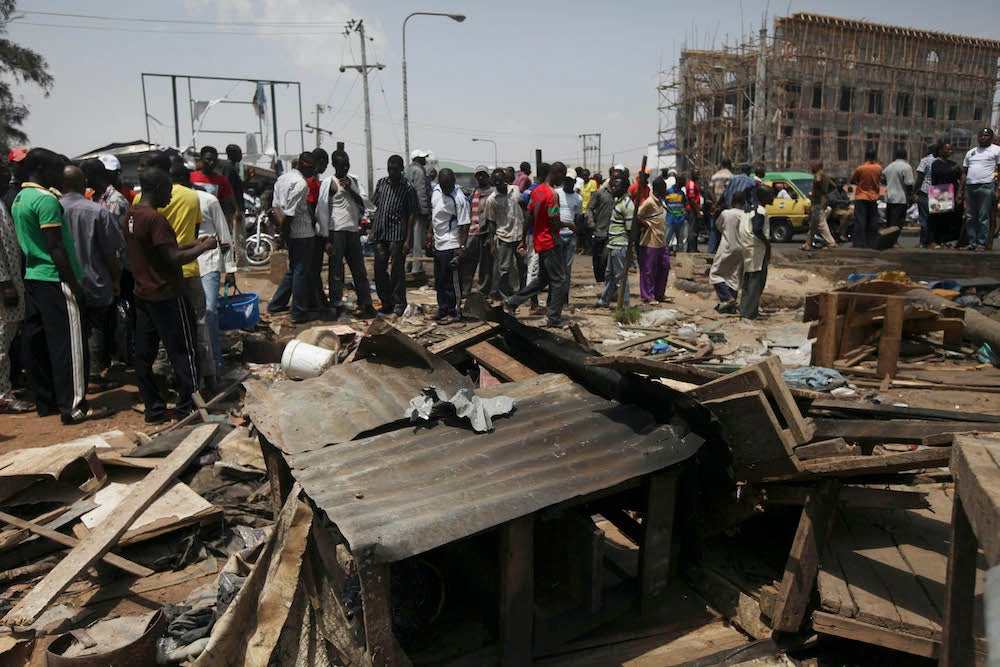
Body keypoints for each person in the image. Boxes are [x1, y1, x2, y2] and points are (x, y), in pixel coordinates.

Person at [11, 148, 109, 424]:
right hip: (56, 278)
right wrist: (74, 284)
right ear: (41, 169)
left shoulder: (20, 198)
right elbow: (56, 247)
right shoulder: (46, 201)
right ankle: (76, 407)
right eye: (56, 171)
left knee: (39, 342)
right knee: (70, 345)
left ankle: (47, 401)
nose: (59, 177)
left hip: (34, 277)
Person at [123, 167, 217, 423]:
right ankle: (190, 406)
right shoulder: (156, 219)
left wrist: (193, 244)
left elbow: (160, 251)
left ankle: (154, 409)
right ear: (157, 189)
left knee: (144, 354)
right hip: (167, 294)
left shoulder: (131, 214)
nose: (170, 197)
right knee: (185, 352)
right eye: (167, 190)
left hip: (143, 294)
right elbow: (173, 258)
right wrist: (205, 247)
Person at [60, 165, 126, 392]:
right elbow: (111, 253)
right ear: (83, 183)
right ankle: (94, 375)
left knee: (72, 330)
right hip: (95, 280)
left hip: (62, 281)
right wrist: (116, 280)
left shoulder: (53, 208)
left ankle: (77, 375)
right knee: (95, 329)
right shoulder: (97, 211)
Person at [504, 162, 569, 327]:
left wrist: (523, 239)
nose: (564, 178)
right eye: (563, 174)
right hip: (551, 242)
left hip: (539, 241)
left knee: (542, 279)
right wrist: (569, 225)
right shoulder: (552, 194)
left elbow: (529, 215)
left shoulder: (537, 191)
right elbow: (554, 222)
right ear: (557, 173)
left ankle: (512, 302)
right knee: (560, 280)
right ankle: (554, 318)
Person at [167, 164, 214, 387]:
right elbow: (194, 236)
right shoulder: (192, 197)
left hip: (162, 273)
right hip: (189, 268)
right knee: (199, 322)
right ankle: (207, 376)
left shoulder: (142, 201)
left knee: (171, 327)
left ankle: (172, 378)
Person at [317, 150, 375, 319]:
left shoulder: (354, 182)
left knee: (359, 270)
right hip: (336, 232)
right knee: (336, 271)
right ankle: (336, 304)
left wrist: (350, 190)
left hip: (352, 231)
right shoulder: (329, 184)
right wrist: (326, 238)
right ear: (334, 166)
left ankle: (366, 302)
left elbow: (365, 203)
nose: (344, 169)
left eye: (347, 165)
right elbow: (322, 211)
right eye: (341, 166)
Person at [192, 175, 235, 383]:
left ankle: (214, 368)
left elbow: (224, 235)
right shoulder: (168, 201)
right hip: (185, 265)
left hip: (208, 262)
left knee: (209, 313)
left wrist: (230, 269)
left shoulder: (208, 201)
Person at [267, 152, 316, 324]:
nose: (314, 174)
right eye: (313, 170)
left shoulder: (282, 179)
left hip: (290, 233)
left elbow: (275, 208)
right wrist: (282, 235)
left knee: (294, 270)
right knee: (301, 272)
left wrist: (282, 233)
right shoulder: (300, 184)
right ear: (304, 166)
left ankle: (276, 305)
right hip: (302, 233)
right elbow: (290, 214)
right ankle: (299, 312)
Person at [369, 154, 416, 317]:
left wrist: (408, 239)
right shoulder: (382, 183)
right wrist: (373, 231)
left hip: (397, 234)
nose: (391, 172)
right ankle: (386, 302)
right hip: (381, 233)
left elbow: (412, 214)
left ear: (401, 169)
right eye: (389, 169)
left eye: (395, 169)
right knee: (379, 269)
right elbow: (376, 206)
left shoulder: (408, 187)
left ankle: (398, 303)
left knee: (397, 270)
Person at [0, 162, 29, 414]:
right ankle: (3, 396)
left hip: (11, 282)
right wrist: (5, 282)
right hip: (3, 288)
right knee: (0, 344)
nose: (7, 177)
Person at [428, 168, 470, 324]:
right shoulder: (437, 191)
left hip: (452, 243)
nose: (447, 189)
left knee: (451, 283)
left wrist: (462, 248)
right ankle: (443, 309)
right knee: (439, 280)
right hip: (438, 244)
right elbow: (434, 214)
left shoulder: (459, 199)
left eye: (449, 186)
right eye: (444, 186)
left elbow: (465, 224)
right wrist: (429, 233)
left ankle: (454, 312)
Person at [595, 175, 634, 308]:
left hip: (620, 245)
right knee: (609, 275)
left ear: (624, 188)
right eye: (612, 185)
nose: (612, 188)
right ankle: (604, 299)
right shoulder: (618, 201)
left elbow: (630, 231)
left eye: (616, 186)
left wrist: (630, 251)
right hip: (613, 243)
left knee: (620, 276)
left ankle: (625, 304)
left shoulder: (627, 205)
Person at [486, 168, 525, 299]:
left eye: (500, 180)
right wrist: (491, 242)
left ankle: (521, 294)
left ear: (505, 180)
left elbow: (522, 207)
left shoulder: (515, 191)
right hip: (504, 237)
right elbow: (491, 222)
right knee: (504, 269)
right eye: (495, 181)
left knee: (522, 266)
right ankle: (504, 296)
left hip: (519, 235)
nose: (498, 183)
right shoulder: (492, 200)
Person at [959, 127, 1000, 252]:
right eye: (981, 135)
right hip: (970, 187)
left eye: (987, 136)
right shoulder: (971, 152)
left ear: (991, 138)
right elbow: (964, 172)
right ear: (978, 137)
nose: (983, 137)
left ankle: (981, 243)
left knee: (983, 217)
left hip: (986, 186)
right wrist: (960, 189)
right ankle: (972, 243)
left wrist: (998, 189)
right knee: (970, 216)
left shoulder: (997, 150)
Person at [738, 186, 774, 320]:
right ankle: (750, 313)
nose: (773, 198)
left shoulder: (748, 209)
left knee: (749, 280)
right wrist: (767, 243)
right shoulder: (760, 210)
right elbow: (757, 229)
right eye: (771, 195)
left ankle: (745, 310)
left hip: (748, 248)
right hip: (757, 249)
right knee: (756, 281)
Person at [462, 166, 496, 299]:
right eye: (478, 175)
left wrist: (491, 236)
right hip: (472, 232)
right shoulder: (474, 192)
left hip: (486, 232)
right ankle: (466, 290)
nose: (480, 178)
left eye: (483, 175)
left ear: (487, 176)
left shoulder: (493, 192)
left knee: (486, 265)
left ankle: (483, 291)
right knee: (468, 263)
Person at [710, 189, 747, 314]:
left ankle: (728, 298)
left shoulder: (726, 213)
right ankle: (730, 305)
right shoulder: (746, 215)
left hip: (727, 247)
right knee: (734, 277)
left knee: (715, 274)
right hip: (741, 249)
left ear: (732, 202)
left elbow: (719, 226)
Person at [304, 148, 331, 309]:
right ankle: (316, 301)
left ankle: (317, 299)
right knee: (314, 269)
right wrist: (316, 225)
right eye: (325, 163)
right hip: (313, 232)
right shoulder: (312, 182)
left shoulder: (313, 180)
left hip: (313, 231)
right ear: (319, 162)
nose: (325, 167)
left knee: (314, 269)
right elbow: (310, 205)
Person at [636, 177, 669, 303]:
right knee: (648, 269)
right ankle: (647, 296)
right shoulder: (649, 202)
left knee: (664, 267)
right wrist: (645, 224)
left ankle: (659, 293)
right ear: (658, 189)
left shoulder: (660, 202)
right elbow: (637, 215)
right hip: (650, 241)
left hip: (661, 240)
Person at [928, 142, 963, 248]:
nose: (950, 152)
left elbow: (960, 175)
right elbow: (940, 174)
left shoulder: (952, 163)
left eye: (951, 150)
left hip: (952, 192)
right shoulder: (936, 163)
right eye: (947, 150)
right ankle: (934, 241)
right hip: (940, 192)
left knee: (950, 218)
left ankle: (946, 240)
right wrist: (952, 170)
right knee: (938, 218)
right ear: (940, 150)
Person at [555, 171, 582, 305]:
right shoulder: (556, 193)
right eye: (566, 180)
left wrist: (577, 231)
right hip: (557, 235)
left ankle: (564, 298)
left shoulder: (578, 198)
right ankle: (555, 298)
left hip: (570, 237)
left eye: (570, 180)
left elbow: (578, 216)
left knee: (567, 269)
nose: (568, 183)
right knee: (556, 268)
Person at [190, 146, 236, 219]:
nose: (211, 162)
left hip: (213, 220)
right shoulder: (190, 177)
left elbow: (226, 201)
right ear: (201, 159)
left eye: (214, 160)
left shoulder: (222, 180)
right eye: (208, 159)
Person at [405, 149, 432, 275]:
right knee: (418, 240)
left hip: (409, 210)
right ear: (416, 159)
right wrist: (425, 211)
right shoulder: (420, 171)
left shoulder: (408, 170)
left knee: (409, 240)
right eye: (422, 158)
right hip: (419, 211)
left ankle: (408, 265)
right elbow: (421, 192)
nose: (425, 160)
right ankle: (417, 267)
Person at [850, 149, 882, 249]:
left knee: (860, 220)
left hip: (861, 196)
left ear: (865, 156)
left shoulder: (861, 168)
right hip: (873, 197)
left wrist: (861, 184)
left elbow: (853, 180)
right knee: (872, 221)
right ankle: (871, 242)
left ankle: (859, 242)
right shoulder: (879, 168)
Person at [804, 160, 838, 250]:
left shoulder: (819, 174)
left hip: (817, 203)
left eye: (813, 166)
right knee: (814, 224)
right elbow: (833, 186)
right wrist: (825, 192)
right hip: (821, 202)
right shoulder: (826, 175)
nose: (811, 168)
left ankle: (831, 243)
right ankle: (808, 244)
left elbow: (818, 180)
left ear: (817, 166)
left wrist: (816, 193)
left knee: (821, 224)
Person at [585, 174, 614, 282]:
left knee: (608, 258)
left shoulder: (622, 195)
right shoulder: (600, 193)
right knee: (599, 260)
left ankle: (610, 287)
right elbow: (589, 208)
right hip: (600, 231)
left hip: (614, 233)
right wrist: (590, 220)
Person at [881, 148, 914, 232]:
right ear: (906, 156)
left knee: (890, 222)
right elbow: (909, 184)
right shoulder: (906, 167)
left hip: (890, 198)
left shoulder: (889, 166)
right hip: (901, 199)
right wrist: (911, 197)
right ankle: (894, 241)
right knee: (898, 223)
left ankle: (889, 241)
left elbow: (882, 179)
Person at [708, 158, 734, 253]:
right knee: (725, 229)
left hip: (715, 205)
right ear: (729, 165)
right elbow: (726, 191)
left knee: (714, 228)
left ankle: (711, 251)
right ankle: (723, 251)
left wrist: (715, 204)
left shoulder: (715, 176)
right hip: (724, 205)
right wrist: (719, 204)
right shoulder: (730, 176)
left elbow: (710, 190)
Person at [914, 143, 938, 249]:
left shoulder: (925, 160)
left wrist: (914, 191)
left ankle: (923, 242)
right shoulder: (941, 161)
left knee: (924, 219)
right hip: (938, 192)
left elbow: (920, 177)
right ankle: (933, 242)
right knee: (935, 219)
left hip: (925, 191)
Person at [663, 181, 686, 254]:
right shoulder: (669, 191)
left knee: (680, 241)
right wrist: (667, 208)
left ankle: (680, 258)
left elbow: (684, 202)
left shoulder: (682, 193)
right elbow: (663, 201)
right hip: (670, 220)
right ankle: (664, 256)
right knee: (666, 239)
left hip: (680, 220)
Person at [3, 148, 28, 213]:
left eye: (28, 162)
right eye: (21, 163)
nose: (25, 166)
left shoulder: (41, 190)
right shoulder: (6, 193)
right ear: (10, 165)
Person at [684, 168, 702, 252]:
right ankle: (691, 248)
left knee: (695, 229)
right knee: (692, 230)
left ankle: (693, 247)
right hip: (692, 209)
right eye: (697, 174)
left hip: (694, 209)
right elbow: (691, 199)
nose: (699, 176)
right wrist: (697, 212)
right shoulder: (691, 184)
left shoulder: (694, 184)